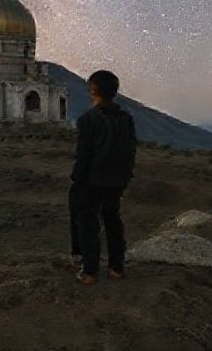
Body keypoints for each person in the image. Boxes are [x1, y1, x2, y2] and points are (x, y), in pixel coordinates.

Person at [67, 70, 136, 285]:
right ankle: (116, 268)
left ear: (92, 90)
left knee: (87, 223)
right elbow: (130, 151)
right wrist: (125, 177)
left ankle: (89, 271)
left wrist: (77, 178)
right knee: (113, 221)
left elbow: (84, 154)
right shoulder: (126, 119)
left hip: (92, 180)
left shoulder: (89, 120)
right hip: (116, 180)